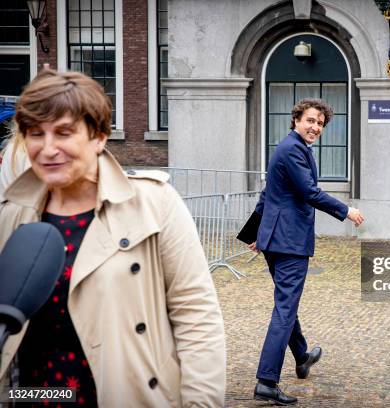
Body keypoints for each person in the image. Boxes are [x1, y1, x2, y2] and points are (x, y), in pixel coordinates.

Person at [0, 70, 226, 407]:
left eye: (64, 133)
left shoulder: (154, 204)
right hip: (38, 394)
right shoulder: (11, 214)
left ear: (99, 137)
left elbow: (196, 315)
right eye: (35, 134)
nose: (48, 149)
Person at [249, 98, 364, 405]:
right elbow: (309, 192)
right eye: (310, 121)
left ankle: (302, 356)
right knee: (284, 309)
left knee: (286, 302)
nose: (315, 127)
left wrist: (254, 232)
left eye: (320, 124)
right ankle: (266, 381)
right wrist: (346, 210)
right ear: (296, 119)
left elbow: (267, 193)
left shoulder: (287, 148)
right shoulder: (293, 150)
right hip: (289, 241)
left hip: (276, 240)